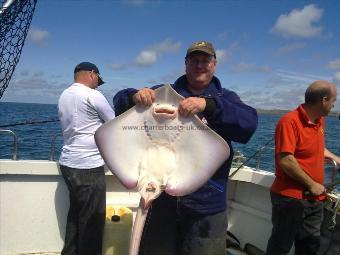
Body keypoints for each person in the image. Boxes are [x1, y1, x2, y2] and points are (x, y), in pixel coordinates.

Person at [113, 41, 258, 255]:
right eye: (194, 60)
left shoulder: (225, 99)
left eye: (205, 60)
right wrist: (133, 96)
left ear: (214, 65)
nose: (200, 65)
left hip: (207, 204)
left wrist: (209, 106)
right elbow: (119, 102)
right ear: (186, 65)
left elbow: (248, 124)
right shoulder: (163, 94)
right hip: (162, 201)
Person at [266, 81, 340, 255]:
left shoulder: (319, 120)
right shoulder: (289, 121)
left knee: (309, 246)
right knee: (280, 246)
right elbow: (286, 159)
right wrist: (312, 184)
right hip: (290, 200)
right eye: (333, 101)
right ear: (324, 100)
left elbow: (316, 148)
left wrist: (336, 158)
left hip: (315, 199)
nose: (334, 105)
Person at [58, 62, 115, 255]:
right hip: (88, 166)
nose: (98, 84)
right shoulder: (93, 95)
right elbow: (113, 123)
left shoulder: (64, 95)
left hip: (67, 163)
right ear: (92, 74)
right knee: (92, 221)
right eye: (98, 79)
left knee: (76, 215)